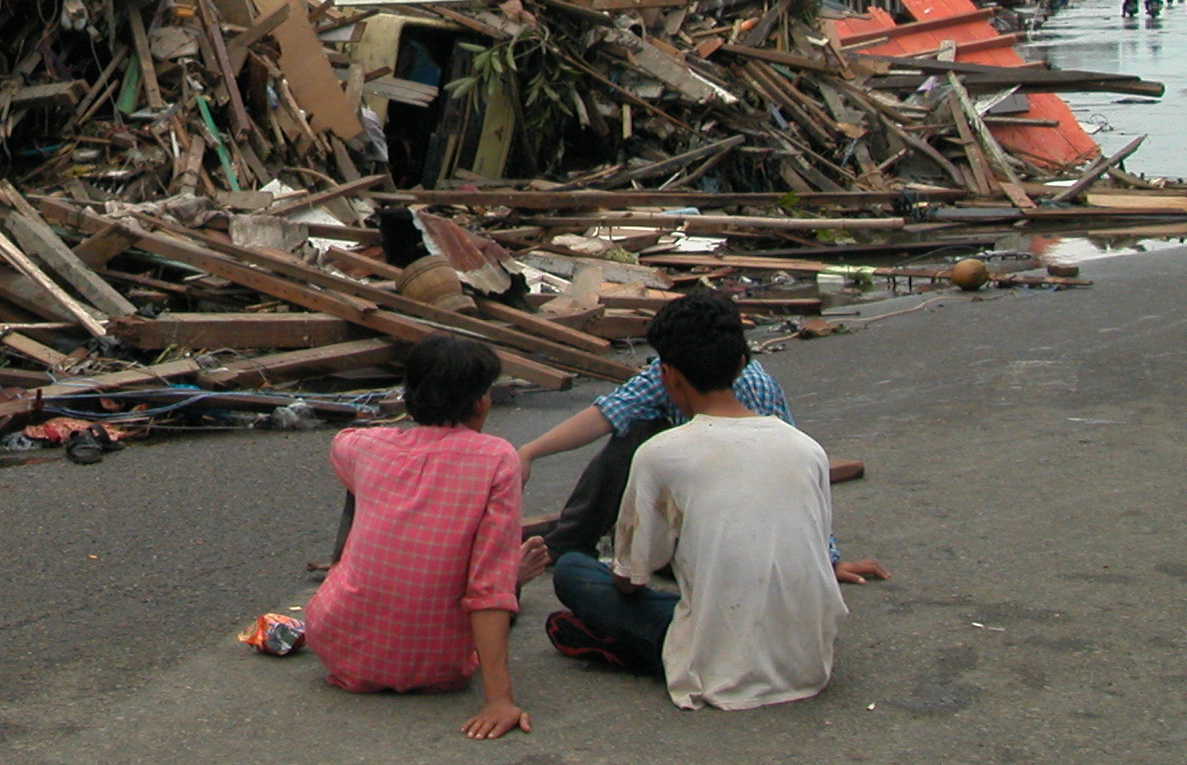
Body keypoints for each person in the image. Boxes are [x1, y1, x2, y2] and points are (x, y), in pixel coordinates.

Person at [542, 293, 888, 709]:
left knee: (573, 572)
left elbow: (629, 581)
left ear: (666, 375)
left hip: (719, 666)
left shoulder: (659, 453)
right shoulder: (808, 450)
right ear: (742, 362)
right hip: (810, 662)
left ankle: (636, 646)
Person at [305, 333, 539, 741]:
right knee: (497, 581)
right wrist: (499, 698)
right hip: (439, 666)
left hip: (338, 646)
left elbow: (343, 443)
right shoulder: (499, 459)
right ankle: (517, 584)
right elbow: (489, 585)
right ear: (481, 401)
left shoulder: (363, 446)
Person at [516, 329, 799, 562]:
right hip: (711, 524)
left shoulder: (756, 396)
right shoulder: (667, 375)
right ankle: (571, 541)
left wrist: (825, 555)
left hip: (739, 533)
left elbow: (787, 487)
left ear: (670, 375)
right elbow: (611, 412)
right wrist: (530, 452)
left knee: (579, 576)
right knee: (638, 426)